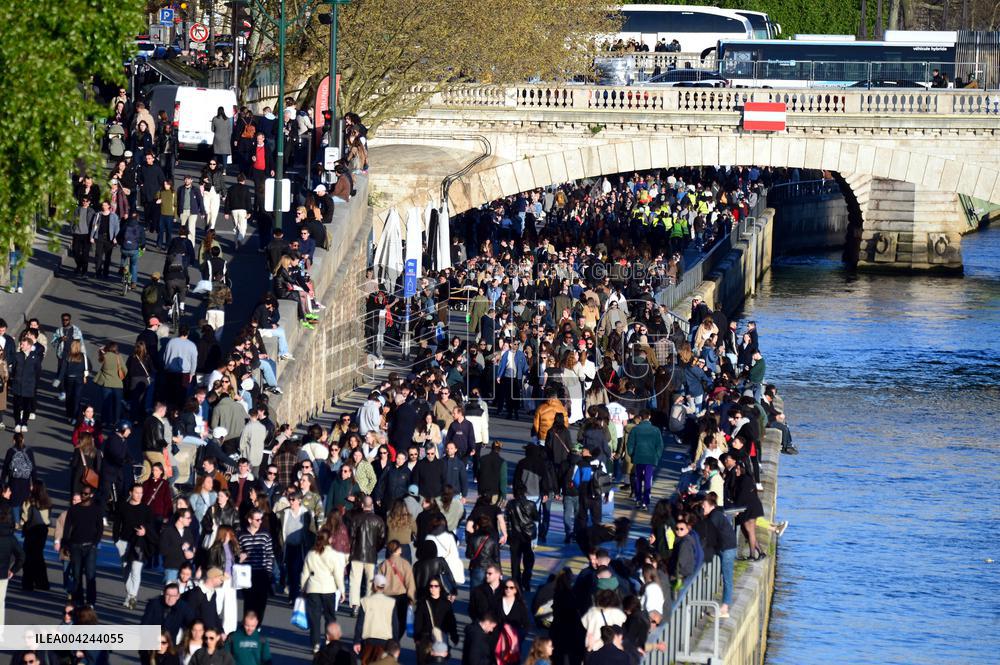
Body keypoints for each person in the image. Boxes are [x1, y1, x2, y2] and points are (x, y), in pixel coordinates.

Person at [114, 482, 153, 609]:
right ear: (130, 493)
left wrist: (145, 531)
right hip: (124, 542)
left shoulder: (146, 509)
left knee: (136, 571)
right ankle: (130, 596)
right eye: (136, 492)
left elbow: (151, 525)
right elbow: (116, 524)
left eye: (141, 493)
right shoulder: (122, 507)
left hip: (140, 544)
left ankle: (132, 597)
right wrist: (116, 541)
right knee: (126, 570)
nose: (139, 495)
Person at [63, 487, 102, 607]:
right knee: (76, 575)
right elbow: (67, 528)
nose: (83, 495)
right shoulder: (74, 509)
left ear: (91, 495)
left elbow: (100, 528)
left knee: (90, 575)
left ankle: (91, 601)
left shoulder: (96, 509)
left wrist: (95, 544)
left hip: (90, 547)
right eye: (82, 493)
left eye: (86, 494)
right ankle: (77, 599)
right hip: (75, 546)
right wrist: (66, 544)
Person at [348, 495, 386, 614]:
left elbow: (351, 537)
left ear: (362, 505)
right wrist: (376, 549)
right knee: (370, 580)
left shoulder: (356, 519)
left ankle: (355, 605)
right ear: (372, 505)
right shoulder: (378, 520)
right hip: (371, 554)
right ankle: (368, 605)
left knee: (355, 580)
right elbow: (382, 538)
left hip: (357, 553)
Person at [238, 509, 276, 622]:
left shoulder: (265, 535)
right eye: (257, 519)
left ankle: (257, 625)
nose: (260, 522)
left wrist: (268, 572)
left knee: (261, 603)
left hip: (262, 573)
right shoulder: (241, 535)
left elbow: (270, 555)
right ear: (250, 520)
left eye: (261, 519)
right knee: (249, 603)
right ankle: (247, 624)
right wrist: (240, 557)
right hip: (247, 574)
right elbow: (237, 552)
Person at [352, 574, 397, 664]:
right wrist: (395, 643)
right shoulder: (391, 603)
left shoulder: (365, 601)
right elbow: (395, 625)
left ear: (374, 586)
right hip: (385, 642)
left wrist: (357, 641)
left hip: (368, 640)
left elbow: (360, 624)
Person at [413, 577, 459, 665]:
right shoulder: (423, 602)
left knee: (440, 662)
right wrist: (417, 637)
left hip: (441, 638)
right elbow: (418, 621)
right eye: (431, 586)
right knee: (423, 661)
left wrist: (454, 635)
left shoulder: (446, 603)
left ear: (440, 587)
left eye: (436, 586)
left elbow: (451, 622)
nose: (433, 588)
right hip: (426, 638)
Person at [377, 540, 415, 641]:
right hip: (401, 596)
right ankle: (396, 640)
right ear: (398, 549)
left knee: (388, 621)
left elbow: (378, 583)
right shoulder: (405, 564)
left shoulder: (384, 564)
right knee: (401, 620)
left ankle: (389, 639)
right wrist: (412, 598)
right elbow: (410, 582)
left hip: (387, 597)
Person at [626, 409, 664, 510]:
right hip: (650, 458)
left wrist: (632, 455)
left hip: (638, 457)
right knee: (648, 479)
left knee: (638, 479)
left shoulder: (635, 429)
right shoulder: (656, 430)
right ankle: (645, 502)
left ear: (640, 418)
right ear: (649, 417)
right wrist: (656, 457)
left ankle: (638, 499)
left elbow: (629, 445)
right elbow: (660, 446)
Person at [18, 480, 51, 592]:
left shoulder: (28, 502)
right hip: (42, 531)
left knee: (28, 557)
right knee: (38, 557)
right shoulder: (47, 503)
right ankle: (42, 582)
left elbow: (24, 518)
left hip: (31, 531)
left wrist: (21, 524)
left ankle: (28, 583)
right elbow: (47, 519)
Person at [0, 506, 24, 630]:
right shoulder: (10, 538)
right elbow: (21, 556)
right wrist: (13, 570)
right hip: (3, 574)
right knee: (0, 605)